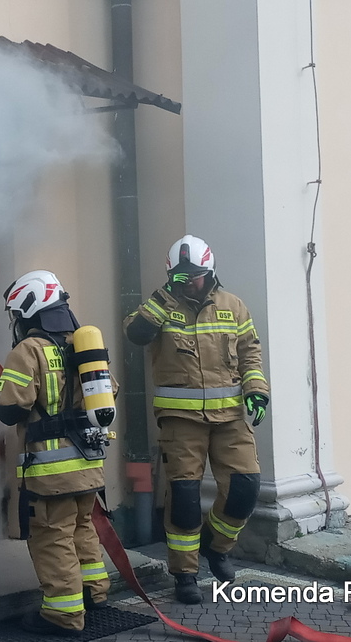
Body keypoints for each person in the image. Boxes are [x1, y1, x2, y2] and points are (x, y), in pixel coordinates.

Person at [123, 235, 268, 604]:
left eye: (196, 276)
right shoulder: (160, 306)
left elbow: (250, 352)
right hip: (180, 420)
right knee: (185, 498)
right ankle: (184, 574)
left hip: (230, 417)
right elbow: (136, 333)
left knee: (245, 487)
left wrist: (256, 390)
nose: (190, 282)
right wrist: (165, 295)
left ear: (210, 271)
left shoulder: (233, 306)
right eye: (182, 277)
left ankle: (216, 546)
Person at [0, 270, 112, 636]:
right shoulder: (83, 345)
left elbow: (9, 409)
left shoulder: (28, 350)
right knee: (82, 527)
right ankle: (94, 593)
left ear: (30, 309)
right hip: (88, 462)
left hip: (50, 470)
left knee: (52, 536)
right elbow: (110, 393)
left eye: (17, 314)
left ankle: (64, 615)